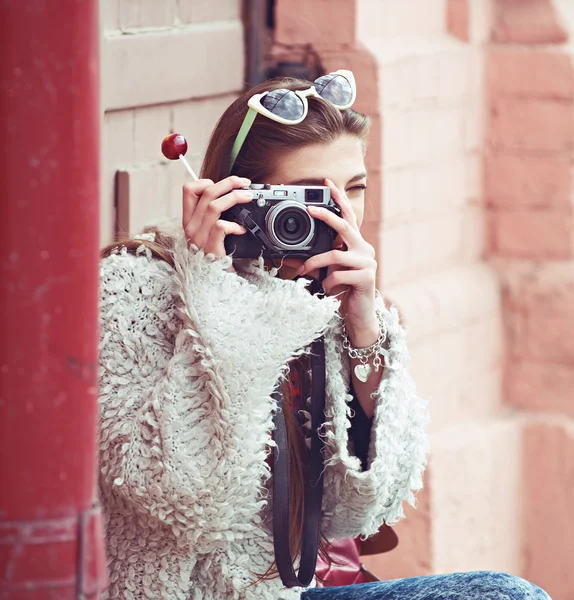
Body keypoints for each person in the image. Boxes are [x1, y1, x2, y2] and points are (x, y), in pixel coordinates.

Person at [98, 71, 550, 600]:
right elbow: (189, 503)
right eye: (308, 196)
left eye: (353, 189)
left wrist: (365, 328)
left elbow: (357, 512)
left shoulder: (324, 294)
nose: (339, 215)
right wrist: (214, 292)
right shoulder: (136, 288)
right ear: (235, 195)